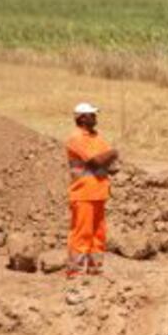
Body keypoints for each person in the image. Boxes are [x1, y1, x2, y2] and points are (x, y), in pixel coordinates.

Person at [65, 102, 117, 277]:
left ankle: (95, 269)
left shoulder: (96, 137)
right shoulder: (76, 138)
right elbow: (96, 161)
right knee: (82, 234)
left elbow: (109, 157)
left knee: (98, 234)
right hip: (83, 194)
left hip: (99, 193)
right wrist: (109, 155)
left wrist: (108, 156)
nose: (95, 118)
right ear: (81, 118)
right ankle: (76, 271)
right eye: (91, 115)